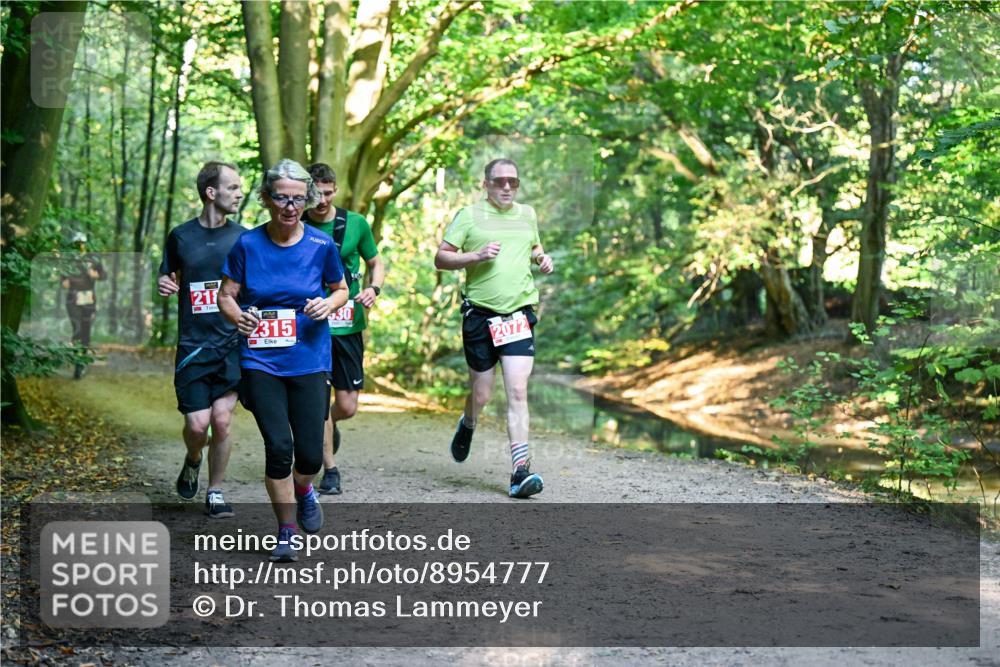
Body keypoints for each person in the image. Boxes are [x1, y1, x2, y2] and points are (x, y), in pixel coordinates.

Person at [218, 158, 348, 562]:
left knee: (309, 455)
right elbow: (226, 295)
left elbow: (340, 288)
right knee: (278, 447)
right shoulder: (248, 244)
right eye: (281, 198)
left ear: (307, 200)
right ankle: (286, 530)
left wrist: (327, 305)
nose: (290, 207)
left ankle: (305, 488)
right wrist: (240, 317)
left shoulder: (321, 245)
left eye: (298, 199)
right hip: (261, 362)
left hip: (309, 360)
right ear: (266, 199)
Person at [434, 158, 554, 498]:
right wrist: (476, 256)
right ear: (485, 184)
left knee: (517, 391)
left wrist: (542, 258)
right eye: (499, 181)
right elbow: (441, 258)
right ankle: (468, 421)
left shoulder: (527, 215)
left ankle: (519, 472)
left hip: (517, 315)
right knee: (483, 393)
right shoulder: (469, 216)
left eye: (512, 182)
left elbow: (534, 248)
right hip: (479, 315)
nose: (506, 187)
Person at [157, 161, 245, 519]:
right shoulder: (181, 236)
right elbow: (168, 274)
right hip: (194, 345)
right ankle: (194, 458)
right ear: (211, 193)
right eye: (233, 187)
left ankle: (216, 491)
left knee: (222, 421)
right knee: (197, 425)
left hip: (231, 344)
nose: (240, 193)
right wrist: (164, 283)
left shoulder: (244, 237)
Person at [303, 163, 386, 496]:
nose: (322, 199)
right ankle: (330, 468)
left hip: (348, 324)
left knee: (347, 406)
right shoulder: (297, 226)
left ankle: (330, 423)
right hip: (310, 325)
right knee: (319, 400)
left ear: (335, 189)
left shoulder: (356, 224)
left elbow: (375, 262)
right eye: (316, 193)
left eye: (327, 192)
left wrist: (374, 288)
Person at [61, 232, 106, 379]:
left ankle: (81, 363)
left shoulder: (93, 259)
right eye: (76, 243)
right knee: (77, 330)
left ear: (86, 244)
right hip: (73, 300)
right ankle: (77, 361)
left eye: (82, 243)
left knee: (85, 332)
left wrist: (96, 275)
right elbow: (63, 281)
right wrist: (64, 283)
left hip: (88, 300)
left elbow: (104, 275)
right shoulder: (69, 261)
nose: (80, 246)